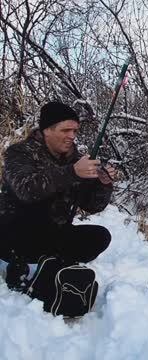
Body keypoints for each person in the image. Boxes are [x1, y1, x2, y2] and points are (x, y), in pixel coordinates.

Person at [0, 101, 117, 290]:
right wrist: (71, 173)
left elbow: (91, 206)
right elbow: (26, 190)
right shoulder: (19, 153)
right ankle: (26, 265)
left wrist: (104, 185)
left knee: (100, 237)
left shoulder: (77, 160)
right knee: (35, 210)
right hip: (15, 232)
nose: (72, 136)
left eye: (75, 131)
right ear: (47, 130)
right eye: (66, 130)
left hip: (52, 233)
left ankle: (51, 263)